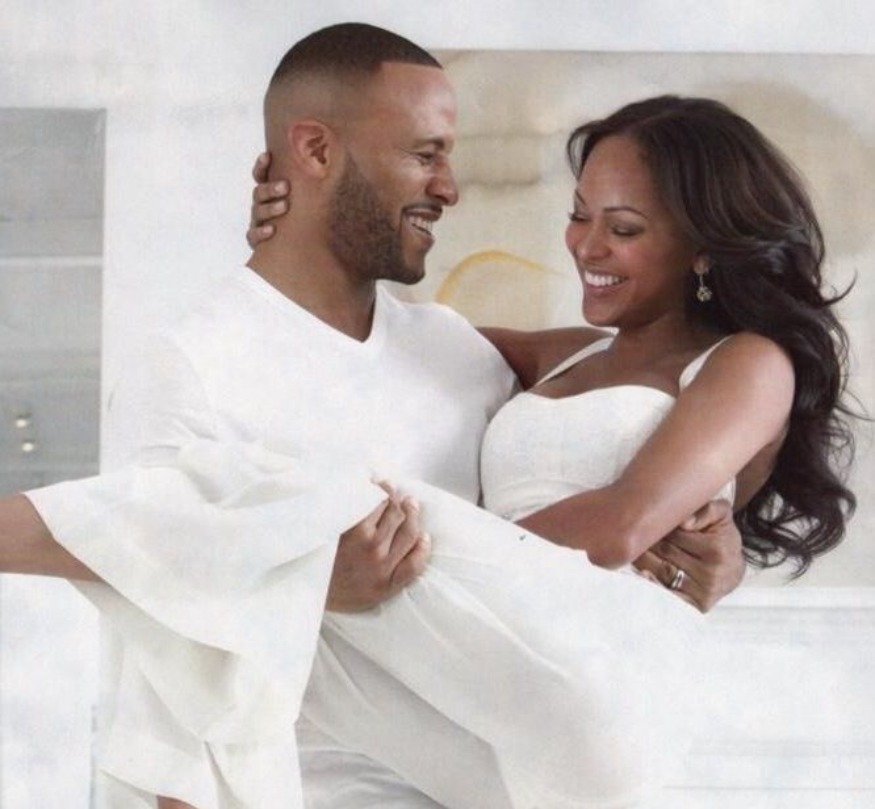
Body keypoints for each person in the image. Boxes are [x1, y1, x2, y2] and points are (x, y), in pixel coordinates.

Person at [0, 24, 749, 809]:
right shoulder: (193, 363)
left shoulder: (458, 352)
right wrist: (306, 582)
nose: (449, 188)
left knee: (293, 515)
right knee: (226, 519)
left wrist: (701, 549)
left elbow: (654, 374)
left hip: (504, 782)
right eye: (425, 154)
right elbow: (159, 663)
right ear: (315, 151)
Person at [246, 92, 857, 808]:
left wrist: (406, 562)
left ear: (702, 248)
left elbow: (624, 524)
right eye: (578, 215)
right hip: (485, 657)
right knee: (233, 658)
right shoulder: (562, 356)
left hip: (597, 663)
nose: (587, 247)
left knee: (301, 550)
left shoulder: (747, 362)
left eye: (623, 228)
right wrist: (295, 237)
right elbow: (367, 338)